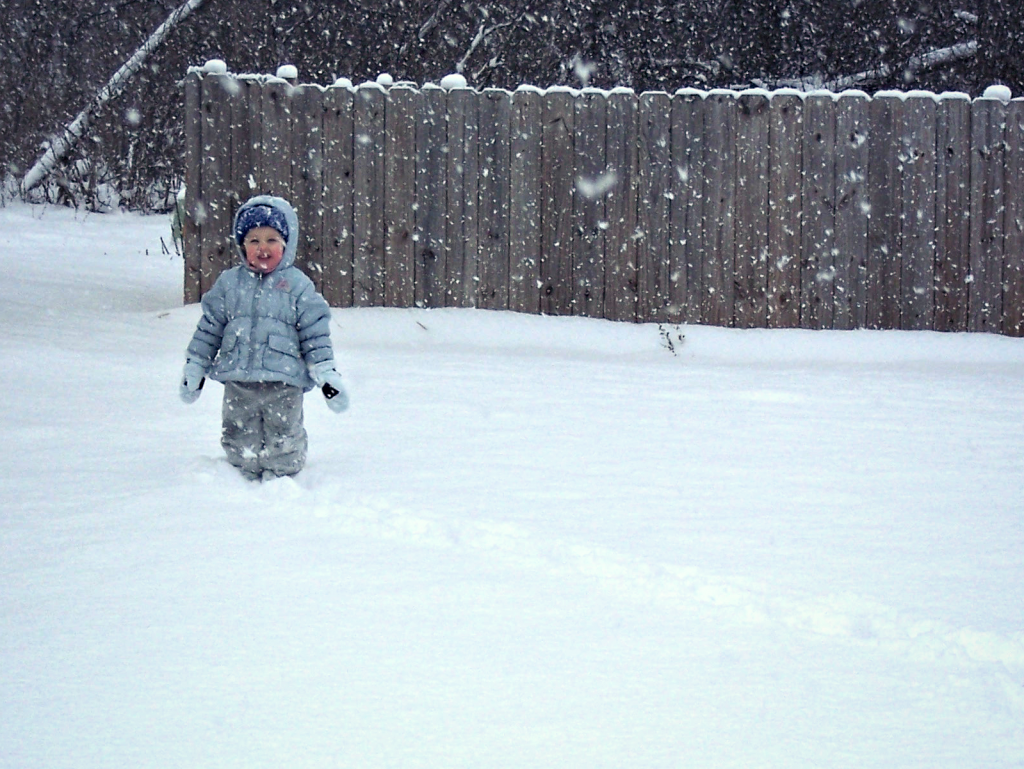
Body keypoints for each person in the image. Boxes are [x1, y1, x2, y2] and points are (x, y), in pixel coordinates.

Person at [179, 194, 348, 481]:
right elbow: (210, 327)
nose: (263, 248)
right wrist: (196, 365)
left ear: (286, 243)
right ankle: (239, 478)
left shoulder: (296, 285)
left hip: (283, 381)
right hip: (239, 380)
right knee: (238, 430)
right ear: (242, 245)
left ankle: (282, 479)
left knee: (283, 433)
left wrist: (325, 372)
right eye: (254, 240)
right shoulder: (230, 284)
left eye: (272, 240)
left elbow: (314, 334)